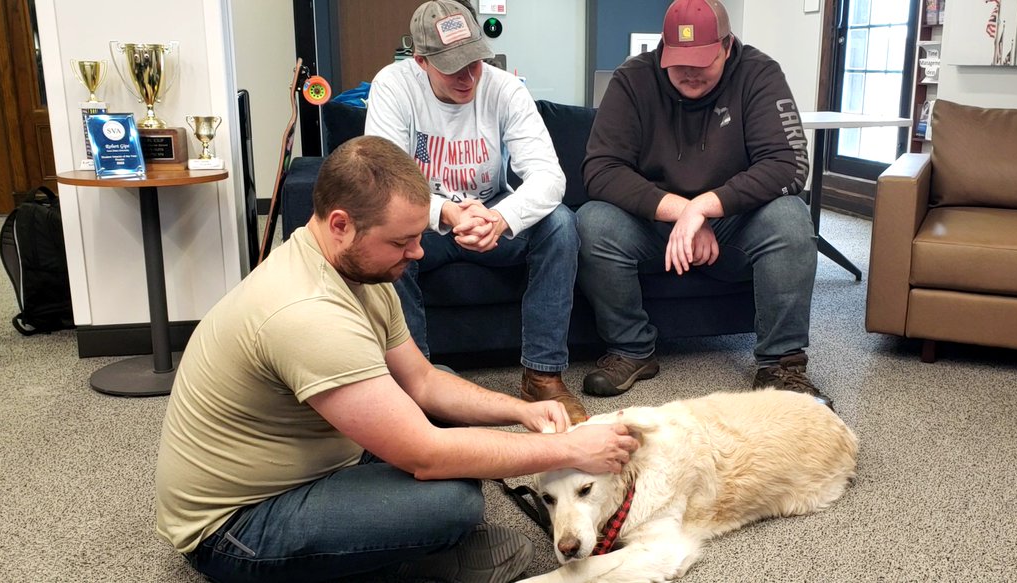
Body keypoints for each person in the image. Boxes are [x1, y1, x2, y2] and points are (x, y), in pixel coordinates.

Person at [155, 136, 639, 583]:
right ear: (341, 224)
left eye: (417, 235)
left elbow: (424, 382)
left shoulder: (360, 273)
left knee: (445, 404)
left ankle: (384, 546)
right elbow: (425, 457)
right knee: (451, 502)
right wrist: (572, 451)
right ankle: (396, 563)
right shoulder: (305, 311)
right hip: (238, 529)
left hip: (318, 461)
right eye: (400, 241)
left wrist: (521, 410)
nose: (418, 251)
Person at [578, 0, 833, 408]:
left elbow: (788, 165)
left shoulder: (759, 73)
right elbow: (600, 170)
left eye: (702, 60)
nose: (689, 72)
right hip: (656, 226)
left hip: (737, 224)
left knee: (791, 218)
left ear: (727, 46)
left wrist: (707, 207)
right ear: (663, 49)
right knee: (592, 223)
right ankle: (632, 350)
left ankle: (782, 364)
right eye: (678, 61)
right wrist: (682, 210)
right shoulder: (633, 79)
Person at [364, 0, 587, 424]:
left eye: (475, 62)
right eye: (453, 66)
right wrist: (446, 212)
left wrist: (501, 219)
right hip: (424, 223)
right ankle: (415, 386)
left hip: (492, 217)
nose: (468, 77)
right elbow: (384, 180)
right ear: (422, 59)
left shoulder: (505, 88)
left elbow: (549, 177)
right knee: (382, 235)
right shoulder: (393, 86)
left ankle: (542, 374)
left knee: (560, 224)